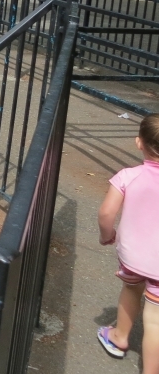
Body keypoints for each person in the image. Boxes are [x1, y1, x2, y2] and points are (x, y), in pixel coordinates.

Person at [96, 113, 159, 371]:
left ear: (139, 143)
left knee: (131, 289)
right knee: (155, 319)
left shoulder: (127, 176)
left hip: (132, 256)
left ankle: (120, 336)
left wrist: (106, 235)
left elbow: (106, 213)